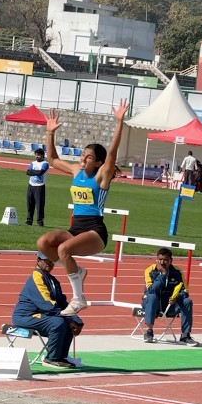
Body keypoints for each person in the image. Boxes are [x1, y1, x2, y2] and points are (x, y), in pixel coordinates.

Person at [36, 100, 128, 316]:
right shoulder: (76, 171)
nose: (84, 159)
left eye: (89, 157)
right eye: (83, 155)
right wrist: (50, 133)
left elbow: (112, 154)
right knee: (44, 243)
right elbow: (52, 158)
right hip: (75, 227)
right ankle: (77, 272)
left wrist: (119, 123)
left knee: (63, 249)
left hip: (95, 231)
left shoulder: (101, 177)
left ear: (98, 163)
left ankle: (79, 299)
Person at [12, 250, 84, 368]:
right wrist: (68, 318)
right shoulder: (36, 278)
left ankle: (61, 357)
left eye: (52, 261)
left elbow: (62, 302)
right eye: (47, 260)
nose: (50, 263)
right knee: (58, 322)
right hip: (26, 317)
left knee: (68, 323)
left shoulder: (53, 280)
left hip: (42, 316)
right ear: (38, 260)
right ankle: (51, 358)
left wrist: (75, 319)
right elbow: (47, 305)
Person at [141, 247, 197, 346]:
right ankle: (149, 331)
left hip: (170, 305)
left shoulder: (177, 272)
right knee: (152, 296)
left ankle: (185, 335)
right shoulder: (150, 270)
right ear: (157, 259)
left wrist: (176, 298)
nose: (162, 262)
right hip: (153, 304)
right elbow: (151, 290)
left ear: (170, 261)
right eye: (160, 259)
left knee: (187, 301)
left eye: (165, 260)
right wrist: (162, 275)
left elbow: (185, 290)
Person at [25, 147, 49, 226]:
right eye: (36, 155)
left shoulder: (45, 164)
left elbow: (41, 172)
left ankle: (40, 221)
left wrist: (33, 172)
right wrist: (35, 172)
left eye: (38, 155)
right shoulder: (33, 163)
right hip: (31, 185)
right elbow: (27, 172)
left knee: (39, 205)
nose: (37, 156)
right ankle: (29, 220)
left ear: (42, 155)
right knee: (30, 203)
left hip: (39, 186)